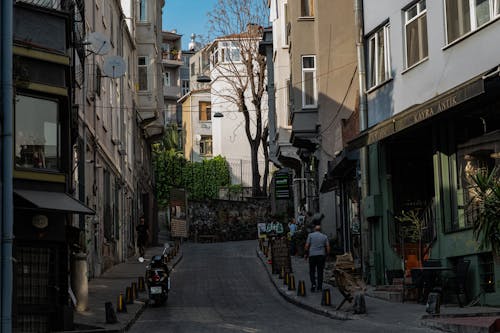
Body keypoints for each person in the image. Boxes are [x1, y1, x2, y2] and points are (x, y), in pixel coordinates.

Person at [304, 225, 330, 292]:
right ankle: (319, 287)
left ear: (315, 229)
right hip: (321, 255)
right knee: (320, 271)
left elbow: (307, 246)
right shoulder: (324, 236)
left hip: (312, 255)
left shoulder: (310, 235)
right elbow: (328, 247)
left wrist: (306, 254)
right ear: (320, 230)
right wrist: (327, 255)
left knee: (312, 270)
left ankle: (313, 284)